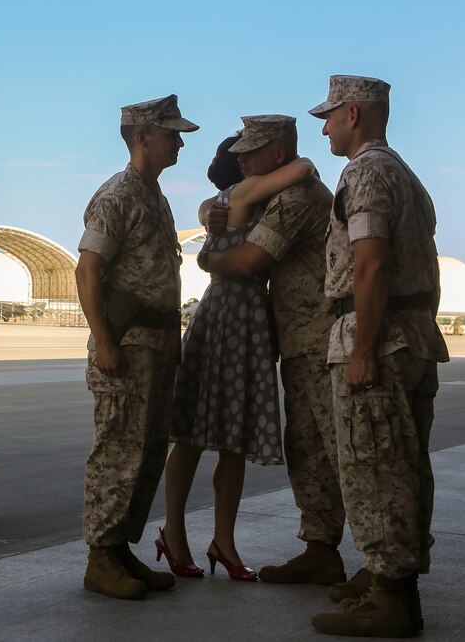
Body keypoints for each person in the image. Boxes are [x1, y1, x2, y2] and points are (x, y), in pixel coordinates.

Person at [307, 75, 448, 638]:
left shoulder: (364, 172)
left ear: (355, 114)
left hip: (377, 342)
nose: (324, 127)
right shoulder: (405, 174)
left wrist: (363, 349)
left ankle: (392, 595)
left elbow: (370, 264)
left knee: (375, 467)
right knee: (406, 467)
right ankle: (387, 577)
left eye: (331, 116)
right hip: (411, 336)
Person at [161, 116, 312, 582]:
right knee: (211, 439)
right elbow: (302, 168)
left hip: (231, 317)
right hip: (234, 316)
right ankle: (198, 536)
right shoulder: (242, 195)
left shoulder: (226, 202)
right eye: (243, 156)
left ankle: (200, 538)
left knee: (218, 438)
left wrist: (207, 212)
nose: (249, 162)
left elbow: (213, 210)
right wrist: (293, 156)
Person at [198, 120, 344, 587]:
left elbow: (247, 262)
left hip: (319, 340)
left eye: (252, 151)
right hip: (302, 341)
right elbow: (221, 201)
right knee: (310, 449)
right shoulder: (274, 194)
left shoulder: (297, 198)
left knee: (339, 451)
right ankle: (320, 550)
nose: (242, 158)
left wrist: (207, 258)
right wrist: (210, 213)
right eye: (239, 151)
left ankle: (382, 566)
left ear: (278, 155)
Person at [76, 94, 198, 601]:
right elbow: (87, 269)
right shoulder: (118, 195)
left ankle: (122, 548)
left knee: (147, 453)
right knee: (118, 452)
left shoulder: (156, 196)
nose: (179, 142)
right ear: (142, 136)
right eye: (171, 134)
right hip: (125, 347)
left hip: (156, 348)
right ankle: (100, 557)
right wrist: (104, 341)